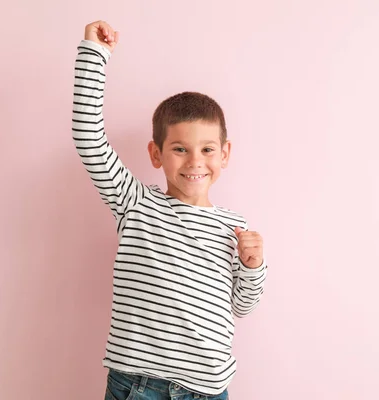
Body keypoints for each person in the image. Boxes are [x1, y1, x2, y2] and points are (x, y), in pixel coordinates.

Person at [72, 20, 268, 400]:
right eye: (180, 148)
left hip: (208, 390)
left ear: (224, 155)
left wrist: (253, 265)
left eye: (208, 149)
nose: (195, 161)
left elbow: (242, 305)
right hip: (137, 385)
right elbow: (88, 137)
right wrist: (96, 55)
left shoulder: (235, 227)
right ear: (156, 154)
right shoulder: (136, 202)